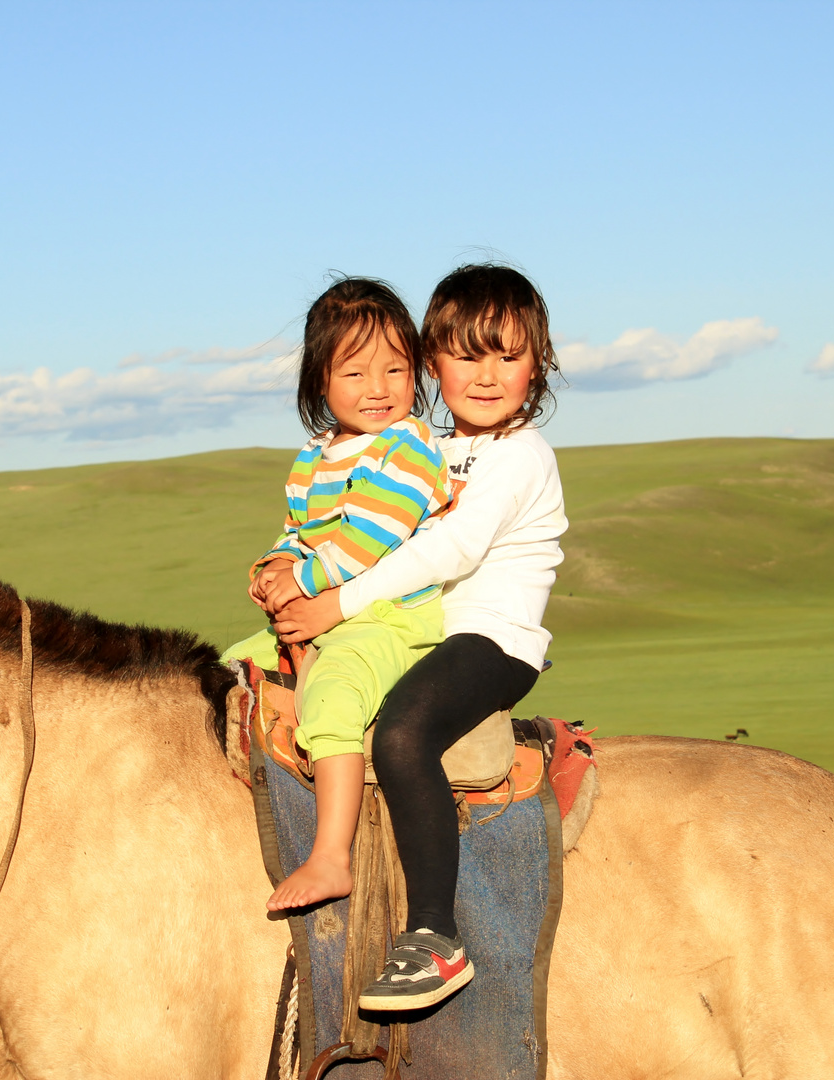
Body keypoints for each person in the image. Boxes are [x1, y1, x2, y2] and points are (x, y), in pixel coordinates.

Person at [272, 264, 568, 1010]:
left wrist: (336, 604)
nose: (487, 374)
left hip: (490, 639)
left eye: (507, 355)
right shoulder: (427, 446)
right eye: (467, 355)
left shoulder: (518, 455)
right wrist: (283, 566)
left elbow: (450, 551)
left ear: (538, 364)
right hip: (419, 628)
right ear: (433, 362)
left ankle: (435, 936)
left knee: (403, 733)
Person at [223, 276, 450, 913]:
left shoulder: (409, 446)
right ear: (320, 380)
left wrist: (303, 579)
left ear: (417, 372)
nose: (377, 388)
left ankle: (330, 856)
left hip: (390, 618)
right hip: (326, 607)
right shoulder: (314, 457)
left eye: (395, 369)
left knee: (335, 702)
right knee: (230, 669)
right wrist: (273, 567)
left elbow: (367, 539)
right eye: (354, 372)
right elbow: (302, 532)